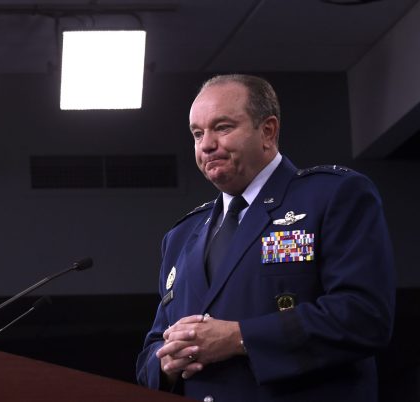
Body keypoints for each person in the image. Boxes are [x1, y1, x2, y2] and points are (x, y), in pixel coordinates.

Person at [136, 74, 395, 402]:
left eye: (223, 127)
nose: (206, 144)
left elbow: (364, 316)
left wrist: (239, 338)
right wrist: (167, 361)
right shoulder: (181, 236)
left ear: (268, 131)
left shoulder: (331, 196)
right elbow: (150, 356)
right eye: (197, 133)